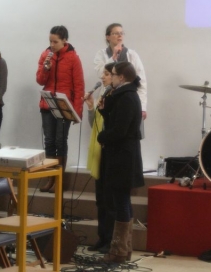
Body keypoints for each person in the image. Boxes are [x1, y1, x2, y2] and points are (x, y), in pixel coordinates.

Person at [97, 62, 144, 263]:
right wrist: (104, 111)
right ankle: (124, 249)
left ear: (122, 77)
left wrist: (102, 136)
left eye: (113, 74)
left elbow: (120, 130)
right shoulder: (125, 95)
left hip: (123, 157)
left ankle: (118, 251)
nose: (111, 78)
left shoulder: (127, 97)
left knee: (121, 202)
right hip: (123, 155)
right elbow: (117, 122)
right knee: (123, 201)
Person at [36, 25, 85, 192]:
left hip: (65, 105)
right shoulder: (45, 55)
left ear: (65, 41)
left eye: (55, 42)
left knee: (60, 141)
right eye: (50, 41)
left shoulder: (73, 58)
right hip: (47, 104)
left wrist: (77, 112)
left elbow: (79, 86)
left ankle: (59, 180)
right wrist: (45, 69)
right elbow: (40, 80)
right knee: (49, 141)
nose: (52, 45)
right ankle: (50, 178)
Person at [85, 63, 115, 253]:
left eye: (107, 74)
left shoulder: (116, 97)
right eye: (103, 73)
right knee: (100, 199)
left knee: (110, 200)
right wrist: (90, 108)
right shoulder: (103, 95)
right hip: (99, 150)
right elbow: (95, 125)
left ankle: (111, 239)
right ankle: (102, 237)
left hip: (110, 152)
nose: (102, 77)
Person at [93, 23, 148, 120]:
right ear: (108, 37)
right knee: (109, 125)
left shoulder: (132, 55)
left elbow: (141, 81)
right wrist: (113, 58)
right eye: (116, 33)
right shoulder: (101, 54)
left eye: (122, 33)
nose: (120, 35)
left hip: (129, 99)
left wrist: (142, 107)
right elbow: (101, 73)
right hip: (109, 98)